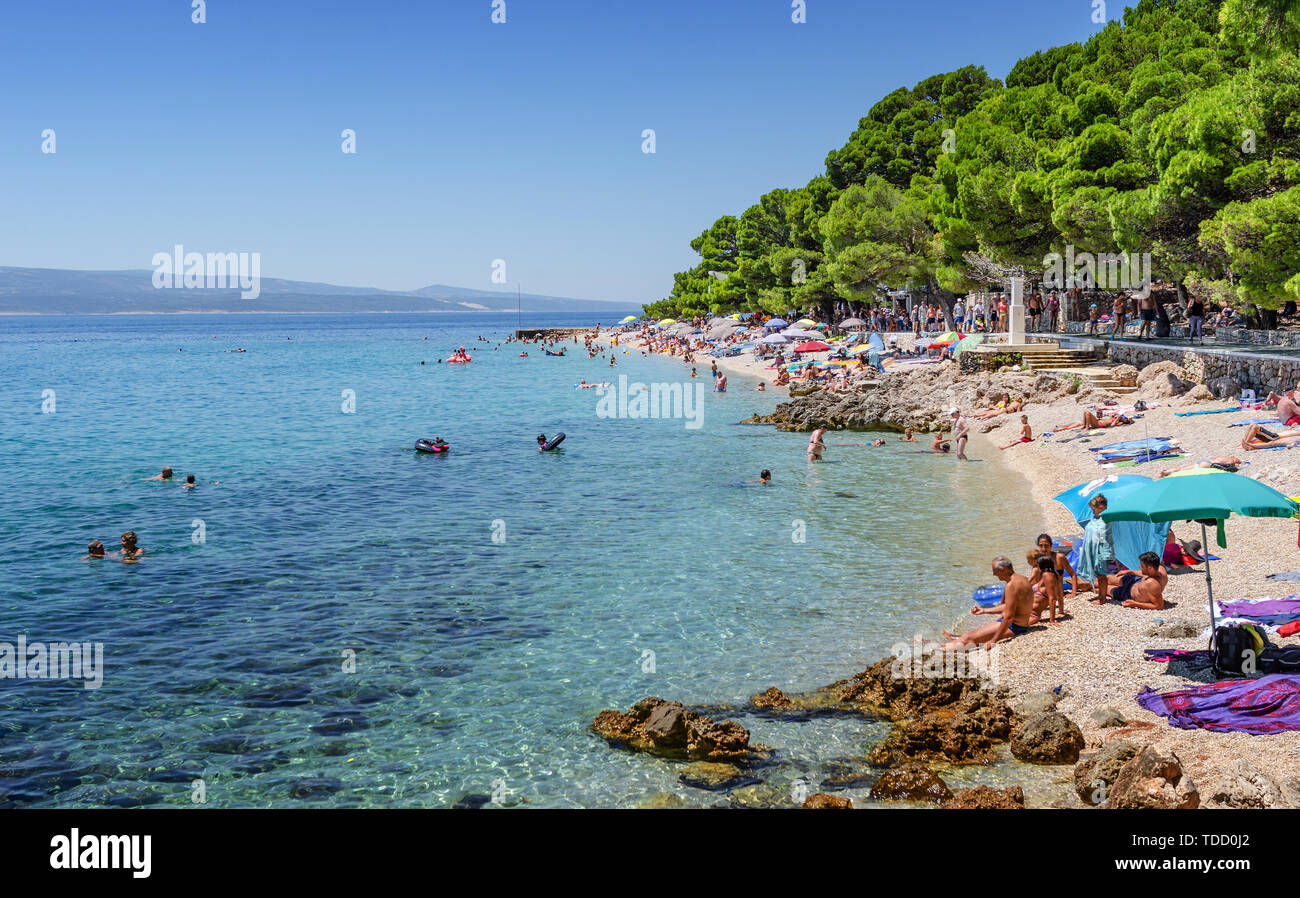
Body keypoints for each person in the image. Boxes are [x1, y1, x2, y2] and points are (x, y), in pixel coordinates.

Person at [941, 556, 1034, 650]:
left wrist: (994, 640)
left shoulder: (1011, 586)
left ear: (1003, 570)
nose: (993, 574)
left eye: (995, 571)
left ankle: (938, 650)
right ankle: (952, 641)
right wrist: (984, 610)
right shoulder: (1022, 579)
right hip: (1016, 623)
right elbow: (1009, 606)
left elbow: (1009, 617)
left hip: (1015, 626)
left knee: (968, 639)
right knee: (970, 635)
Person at [1078, 494, 1115, 604]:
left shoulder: (1107, 519)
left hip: (1101, 550)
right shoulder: (1095, 518)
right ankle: (1100, 595)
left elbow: (1105, 536)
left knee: (1101, 574)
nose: (1092, 511)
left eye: (1093, 509)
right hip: (1092, 549)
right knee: (1098, 573)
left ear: (1101, 507)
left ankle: (1102, 598)